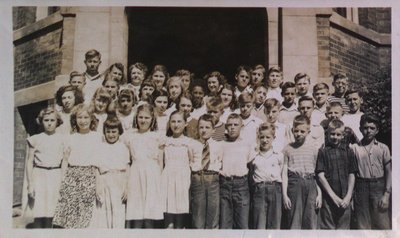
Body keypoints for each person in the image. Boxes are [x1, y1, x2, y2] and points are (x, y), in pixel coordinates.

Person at [52, 104, 102, 228]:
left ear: (91, 119)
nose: (83, 121)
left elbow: (99, 162)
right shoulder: (70, 138)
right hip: (72, 176)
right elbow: (65, 161)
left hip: (90, 176)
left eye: (86, 117)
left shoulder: (97, 137)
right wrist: (63, 181)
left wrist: (98, 185)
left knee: (86, 214)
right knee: (70, 214)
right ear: (75, 119)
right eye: (80, 117)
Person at [25, 108, 66, 228]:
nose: (49, 123)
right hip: (40, 174)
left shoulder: (63, 139)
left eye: (52, 120)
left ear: (57, 121)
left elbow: (64, 161)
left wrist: (63, 180)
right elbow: (29, 161)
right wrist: (30, 183)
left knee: (54, 208)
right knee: (40, 208)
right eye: (46, 120)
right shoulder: (36, 139)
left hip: (55, 173)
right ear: (41, 121)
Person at [160, 110, 202, 228]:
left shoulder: (189, 143)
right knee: (168, 212)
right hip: (167, 179)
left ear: (185, 124)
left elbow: (195, 162)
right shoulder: (165, 141)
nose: (176, 124)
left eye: (179, 121)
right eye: (173, 121)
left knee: (180, 213)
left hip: (183, 180)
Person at [350, 113, 392, 229]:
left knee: (382, 223)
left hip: (379, 186)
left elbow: (389, 172)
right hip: (361, 187)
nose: (368, 131)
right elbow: (352, 174)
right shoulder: (354, 148)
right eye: (365, 128)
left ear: (377, 130)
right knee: (362, 224)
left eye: (372, 128)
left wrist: (386, 195)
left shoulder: (383, 148)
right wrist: (352, 196)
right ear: (360, 129)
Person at [125, 104, 164, 228]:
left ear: (152, 119)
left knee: (150, 212)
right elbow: (127, 160)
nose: (143, 120)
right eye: (140, 117)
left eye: (146, 118)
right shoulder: (130, 136)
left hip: (153, 174)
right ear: (136, 118)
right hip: (135, 173)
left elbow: (161, 162)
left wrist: (160, 179)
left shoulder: (157, 137)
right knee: (136, 210)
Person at [315, 119, 358, 229]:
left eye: (338, 134)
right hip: (328, 198)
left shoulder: (349, 152)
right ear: (327, 134)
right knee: (327, 229)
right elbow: (320, 175)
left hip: (345, 198)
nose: (335, 137)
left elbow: (352, 174)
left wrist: (348, 197)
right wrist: (334, 197)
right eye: (332, 134)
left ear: (343, 135)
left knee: (343, 230)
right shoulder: (323, 152)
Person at [282, 115, 322, 229]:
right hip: (294, 184)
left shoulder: (314, 149)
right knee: (295, 218)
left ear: (308, 132)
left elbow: (317, 174)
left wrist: (320, 194)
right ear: (292, 131)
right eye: (296, 131)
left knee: (311, 219)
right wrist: (285, 195)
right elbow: (284, 173)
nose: (299, 134)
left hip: (311, 184)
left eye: (302, 131)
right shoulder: (287, 149)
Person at [219, 113, 254, 229]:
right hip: (225, 185)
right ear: (226, 128)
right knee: (225, 223)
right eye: (229, 125)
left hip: (241, 186)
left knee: (242, 223)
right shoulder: (222, 145)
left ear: (241, 127)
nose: (232, 127)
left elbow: (250, 165)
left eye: (235, 125)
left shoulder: (247, 144)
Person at [95, 116, 130, 228]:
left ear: (119, 132)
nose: (111, 135)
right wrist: (97, 186)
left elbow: (127, 167)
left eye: (114, 131)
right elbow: (96, 168)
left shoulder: (123, 147)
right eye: (108, 132)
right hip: (104, 180)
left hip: (119, 181)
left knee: (118, 213)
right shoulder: (100, 147)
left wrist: (126, 187)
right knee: (104, 214)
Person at [190, 114, 223, 229]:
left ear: (213, 130)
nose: (204, 130)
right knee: (198, 214)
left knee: (213, 213)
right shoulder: (192, 144)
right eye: (201, 127)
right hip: (198, 178)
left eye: (207, 127)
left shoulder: (219, 145)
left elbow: (220, 160)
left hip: (213, 179)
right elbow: (190, 160)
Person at [250, 122, 283, 229]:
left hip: (275, 189)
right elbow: (250, 175)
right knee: (259, 223)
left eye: (268, 137)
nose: (265, 140)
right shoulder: (253, 156)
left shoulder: (279, 155)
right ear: (258, 137)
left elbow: (282, 173)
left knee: (274, 223)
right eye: (262, 137)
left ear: (274, 137)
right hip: (259, 190)